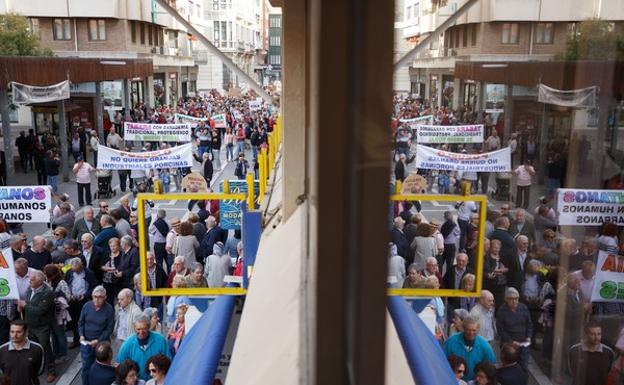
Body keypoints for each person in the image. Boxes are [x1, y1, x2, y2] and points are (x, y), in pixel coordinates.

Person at [17, 270, 56, 382]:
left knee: (45, 348)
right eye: (30, 279)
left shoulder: (47, 293)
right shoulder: (30, 289)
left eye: (32, 279)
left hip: (42, 327)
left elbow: (40, 310)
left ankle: (51, 371)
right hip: (30, 325)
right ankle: (37, 367)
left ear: (40, 281)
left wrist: (25, 306)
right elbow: (28, 303)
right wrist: (21, 307)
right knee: (32, 348)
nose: (30, 281)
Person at [78, 285, 115, 385]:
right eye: (95, 296)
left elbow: (109, 329)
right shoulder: (86, 306)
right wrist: (81, 335)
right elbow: (80, 323)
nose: (97, 299)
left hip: (101, 343)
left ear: (105, 297)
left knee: (102, 367)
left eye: (100, 297)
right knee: (86, 367)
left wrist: (98, 340)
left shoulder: (109, 309)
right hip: (86, 343)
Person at [116, 316, 172, 381]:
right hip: (135, 382)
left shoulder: (160, 340)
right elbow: (119, 365)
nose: (141, 332)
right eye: (138, 329)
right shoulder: (128, 343)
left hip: (156, 381)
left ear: (149, 327)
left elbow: (168, 361)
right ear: (134, 328)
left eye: (144, 328)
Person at [444, 316, 496, 381]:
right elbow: (443, 361)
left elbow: (492, 366)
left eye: (474, 330)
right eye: (468, 330)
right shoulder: (451, 342)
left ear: (478, 329)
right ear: (463, 328)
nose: (471, 333)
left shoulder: (484, 345)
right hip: (454, 380)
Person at [496, 287, 532, 371]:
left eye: (516, 298)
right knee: (509, 368)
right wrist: (511, 341)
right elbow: (500, 330)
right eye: (511, 299)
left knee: (523, 367)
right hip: (509, 344)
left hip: (523, 343)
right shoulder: (501, 311)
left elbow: (529, 324)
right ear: (506, 299)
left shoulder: (523, 308)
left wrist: (529, 336)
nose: (514, 301)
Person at [568, 321, 615, 385]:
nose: (596, 337)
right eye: (593, 334)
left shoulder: (609, 352)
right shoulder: (575, 350)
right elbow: (570, 372)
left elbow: (609, 373)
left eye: (599, 334)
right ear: (586, 334)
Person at [66, 257, 98, 348]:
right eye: (73, 270)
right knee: (74, 321)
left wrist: (85, 295)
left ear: (81, 266)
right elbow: (65, 285)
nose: (75, 272)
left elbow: (94, 286)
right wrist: (70, 295)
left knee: (85, 320)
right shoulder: (69, 272)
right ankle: (76, 339)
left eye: (77, 270)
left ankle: (87, 339)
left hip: (84, 300)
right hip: (72, 300)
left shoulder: (89, 273)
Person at [0, 320, 44, 385]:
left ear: (26, 333)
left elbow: (40, 370)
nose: (14, 335)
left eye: (18, 332)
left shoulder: (37, 349)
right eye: (12, 332)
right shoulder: (2, 350)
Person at [42, 264, 70, 358]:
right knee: (53, 333)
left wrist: (55, 297)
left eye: (46, 273)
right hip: (49, 312)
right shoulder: (47, 282)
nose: (44, 275)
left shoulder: (61, 282)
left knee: (60, 332)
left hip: (58, 311)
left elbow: (68, 296)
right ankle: (56, 351)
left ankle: (63, 352)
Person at [113, 289, 144, 353]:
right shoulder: (118, 308)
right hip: (119, 339)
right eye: (118, 299)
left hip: (130, 342)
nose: (119, 301)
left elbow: (139, 330)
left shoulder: (136, 311)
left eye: (122, 299)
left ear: (129, 299)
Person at [101, 237, 124, 304]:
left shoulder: (122, 255)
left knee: (119, 299)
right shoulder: (106, 254)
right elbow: (101, 266)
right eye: (111, 246)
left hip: (118, 281)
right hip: (107, 281)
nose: (113, 248)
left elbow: (123, 266)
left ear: (118, 246)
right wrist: (108, 269)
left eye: (114, 246)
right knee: (109, 300)